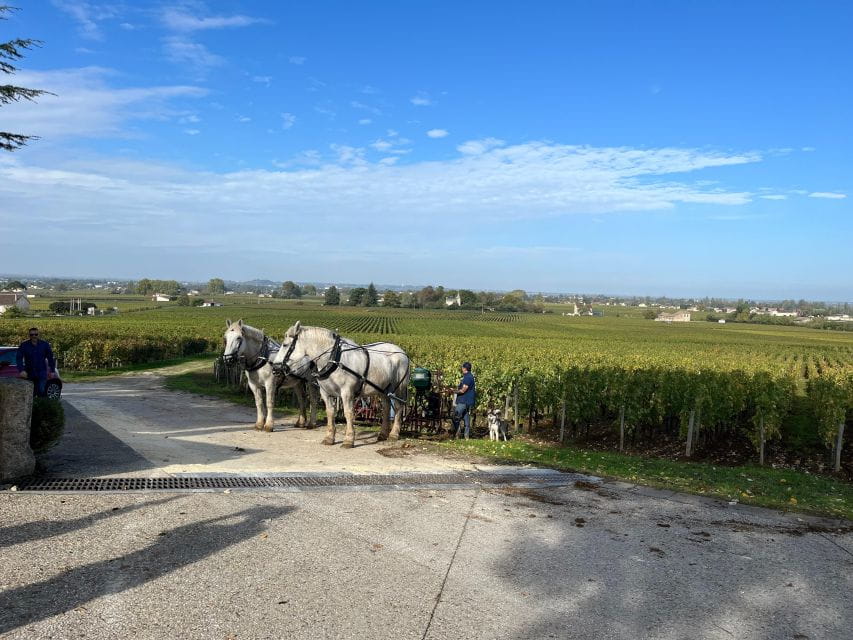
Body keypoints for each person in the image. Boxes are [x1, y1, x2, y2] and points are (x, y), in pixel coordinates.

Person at [16, 327, 56, 397]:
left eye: (36, 334)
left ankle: (42, 406)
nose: (34, 336)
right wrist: (21, 370)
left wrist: (52, 371)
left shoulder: (45, 345)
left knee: (41, 390)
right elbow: (19, 358)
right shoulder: (24, 345)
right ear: (29, 335)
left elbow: (50, 358)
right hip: (29, 373)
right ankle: (33, 407)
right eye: (32, 335)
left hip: (41, 372)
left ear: (38, 335)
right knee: (30, 392)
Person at [451, 361, 476, 439]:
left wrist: (453, 391)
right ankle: (466, 437)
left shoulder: (468, 377)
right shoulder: (469, 376)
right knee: (466, 417)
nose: (461, 369)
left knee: (455, 417)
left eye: (462, 367)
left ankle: (457, 434)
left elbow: (463, 390)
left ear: (464, 368)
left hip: (464, 401)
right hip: (467, 401)